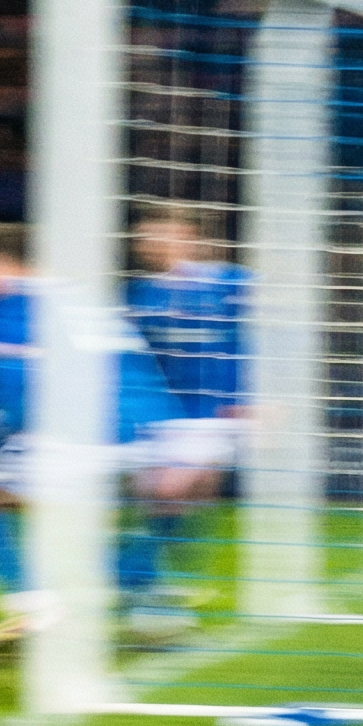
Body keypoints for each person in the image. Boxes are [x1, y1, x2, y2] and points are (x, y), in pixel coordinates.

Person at [0, 221, 193, 650]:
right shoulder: (81, 294)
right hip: (142, 430)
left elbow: (11, 385)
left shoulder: (2, 304)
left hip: (78, 435)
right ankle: (148, 600)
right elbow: (135, 363)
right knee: (72, 522)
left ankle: (39, 607)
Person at [121, 210, 249, 613]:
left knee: (168, 492)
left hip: (215, 415)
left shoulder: (229, 282)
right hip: (159, 415)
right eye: (141, 237)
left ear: (186, 235)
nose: (146, 244)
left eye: (156, 233)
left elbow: (265, 334)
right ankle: (158, 582)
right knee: (166, 502)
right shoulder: (140, 294)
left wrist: (257, 397)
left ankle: (129, 576)